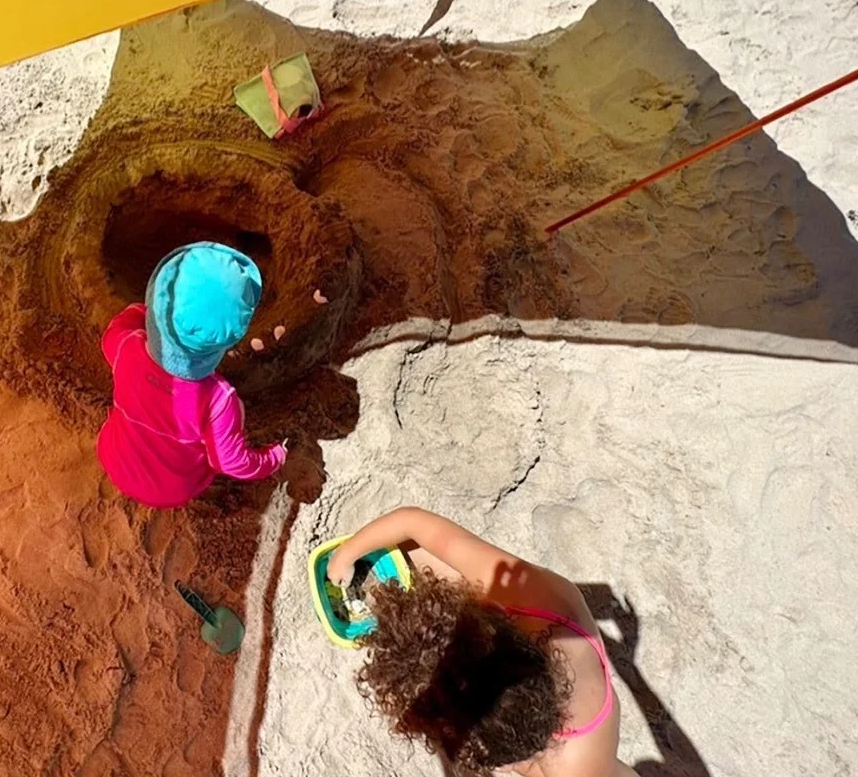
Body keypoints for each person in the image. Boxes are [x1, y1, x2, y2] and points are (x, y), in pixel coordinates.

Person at [327, 507, 637, 777]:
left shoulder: (573, 766)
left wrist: (346, 555)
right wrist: (348, 553)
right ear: (493, 611)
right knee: (412, 551)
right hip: (568, 693)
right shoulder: (533, 595)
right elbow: (413, 523)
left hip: (580, 749)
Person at [97, 242, 286, 508]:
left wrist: (142, 312)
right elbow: (230, 462)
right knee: (237, 411)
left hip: (114, 461)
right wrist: (273, 458)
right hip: (172, 491)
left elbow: (114, 332)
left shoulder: (127, 348)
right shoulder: (219, 399)